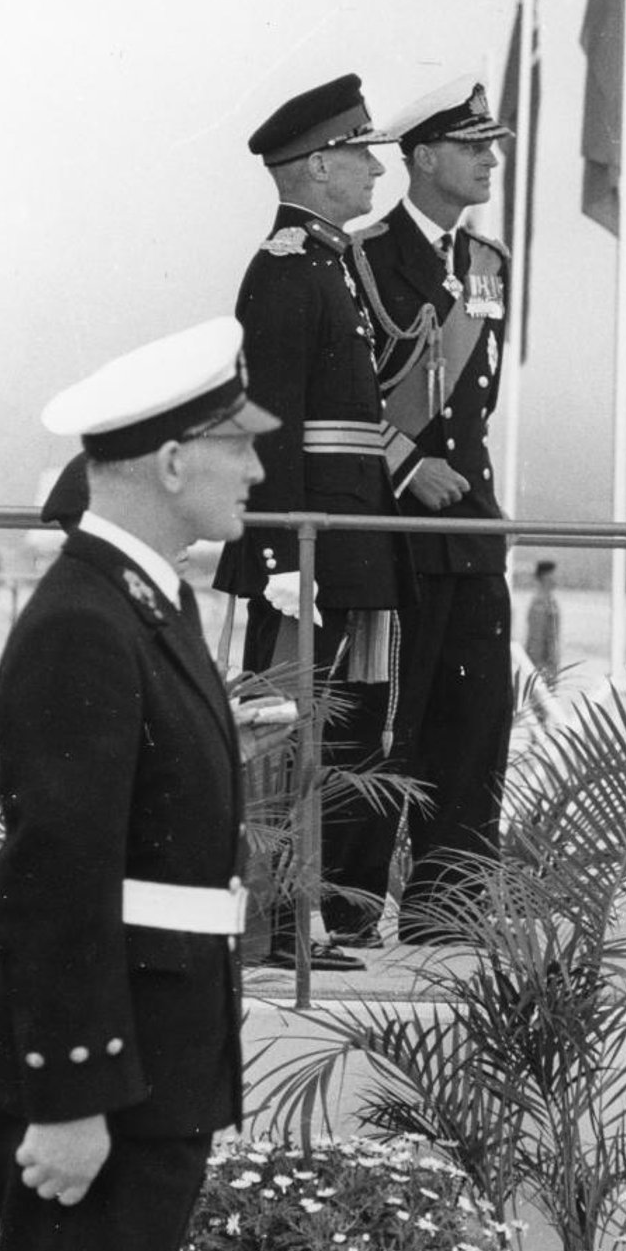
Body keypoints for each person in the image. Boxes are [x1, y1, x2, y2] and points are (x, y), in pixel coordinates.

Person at [0, 317, 279, 1251]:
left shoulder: (146, 601)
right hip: (104, 1077)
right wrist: (69, 1098)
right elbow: (54, 874)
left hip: (155, 1056)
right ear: (176, 460)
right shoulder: (82, 621)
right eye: (240, 444)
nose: (258, 470)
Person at [213, 73, 413, 963]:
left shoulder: (330, 260)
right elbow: (272, 423)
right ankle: (280, 921)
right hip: (308, 546)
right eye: (360, 154)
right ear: (320, 165)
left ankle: (308, 915)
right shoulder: (288, 267)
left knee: (340, 728)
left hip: (345, 537)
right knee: (286, 731)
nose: (376, 171)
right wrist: (279, 555)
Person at [351, 74, 514, 942]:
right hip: (394, 525)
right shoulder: (363, 257)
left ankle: (446, 910)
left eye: (492, 146)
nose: (490, 160)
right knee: (389, 721)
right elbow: (336, 396)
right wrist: (406, 464)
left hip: (472, 526)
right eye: (472, 146)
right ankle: (348, 907)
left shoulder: (489, 266)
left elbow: (474, 404)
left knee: (475, 717)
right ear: (421, 156)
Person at [525, 559, 561, 682]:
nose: (556, 578)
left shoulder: (551, 603)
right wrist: (539, 669)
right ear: (546, 577)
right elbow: (536, 640)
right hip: (542, 669)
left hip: (550, 667)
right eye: (553, 574)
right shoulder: (539, 605)